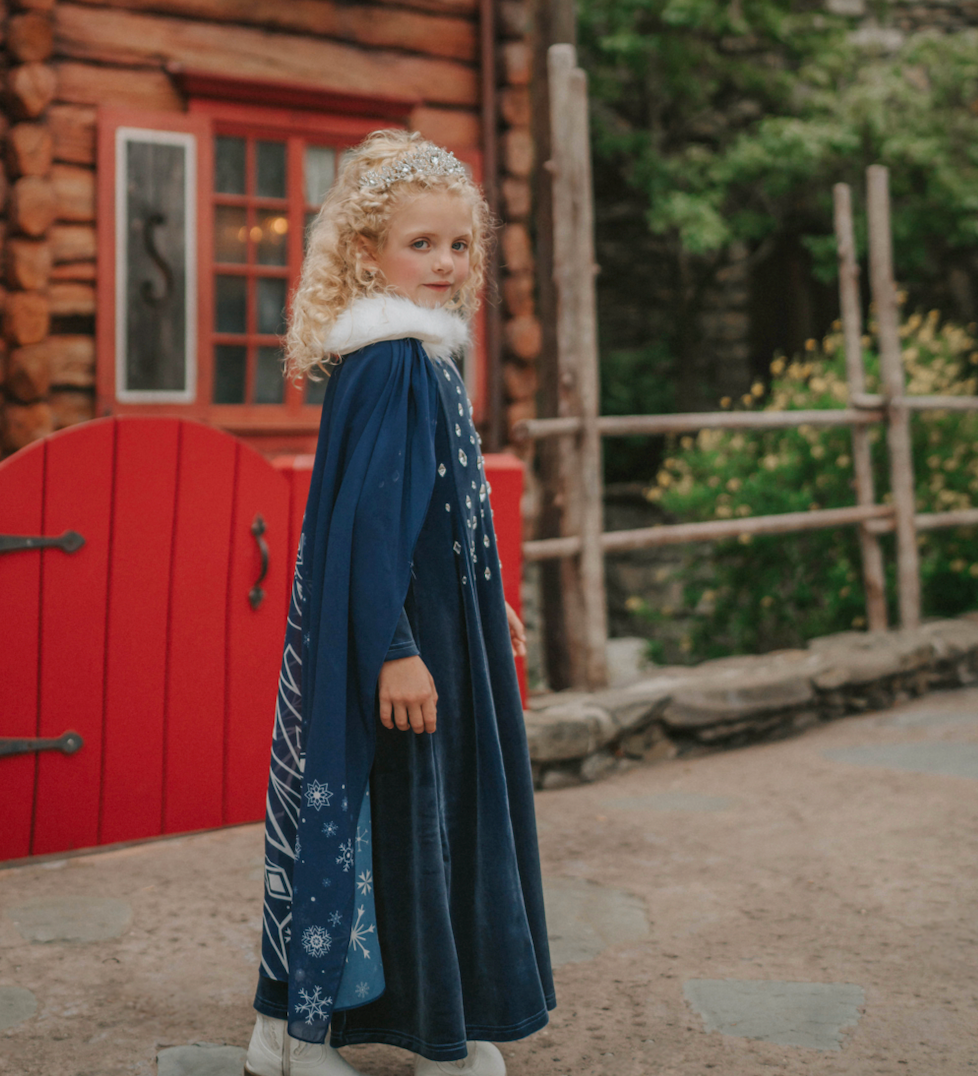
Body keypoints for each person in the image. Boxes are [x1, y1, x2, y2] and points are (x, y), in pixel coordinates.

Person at [244, 130, 555, 1076]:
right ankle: (401, 1041)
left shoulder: (422, 357)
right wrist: (391, 648)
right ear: (368, 252)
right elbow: (369, 525)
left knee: (408, 817)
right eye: (422, 244)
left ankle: (288, 1036)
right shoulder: (392, 361)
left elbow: (439, 506)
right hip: (405, 640)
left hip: (436, 625)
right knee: (401, 818)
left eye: (459, 246)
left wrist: (485, 598)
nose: (446, 264)